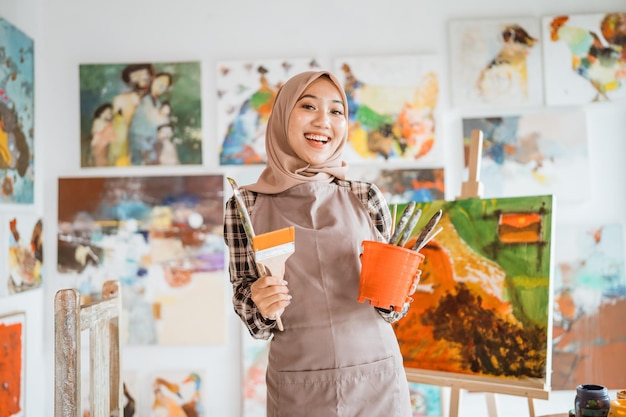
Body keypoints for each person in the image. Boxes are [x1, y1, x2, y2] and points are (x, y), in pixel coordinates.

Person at [223, 70, 415, 416]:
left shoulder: (366, 195)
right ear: (282, 117)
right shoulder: (245, 206)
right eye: (308, 106)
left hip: (378, 382)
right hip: (299, 387)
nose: (323, 121)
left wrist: (394, 296)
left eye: (336, 111)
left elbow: (394, 310)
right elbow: (247, 306)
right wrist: (260, 305)